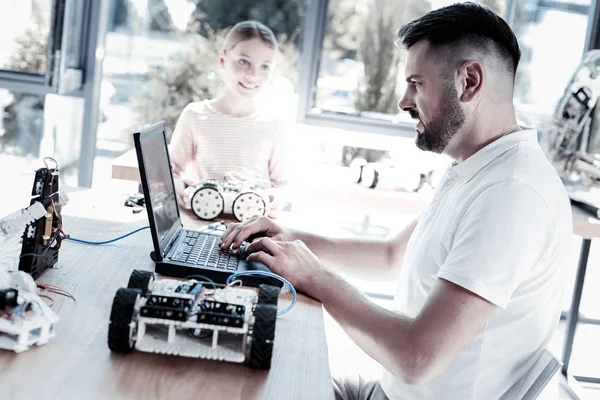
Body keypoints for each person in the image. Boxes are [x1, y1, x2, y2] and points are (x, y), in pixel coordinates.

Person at [220, 3, 573, 400]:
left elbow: (417, 358)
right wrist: (290, 240)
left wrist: (314, 277)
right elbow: (392, 256)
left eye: (416, 83)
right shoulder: (478, 168)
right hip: (386, 390)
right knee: (247, 370)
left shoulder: (512, 193)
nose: (404, 102)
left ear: (469, 80)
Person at [170, 20, 289, 218]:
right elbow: (172, 171)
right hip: (202, 224)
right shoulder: (196, 116)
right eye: (243, 62)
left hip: (253, 230)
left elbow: (282, 184)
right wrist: (176, 186)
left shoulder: (275, 125)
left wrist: (279, 197)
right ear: (223, 61)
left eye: (265, 67)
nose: (252, 75)